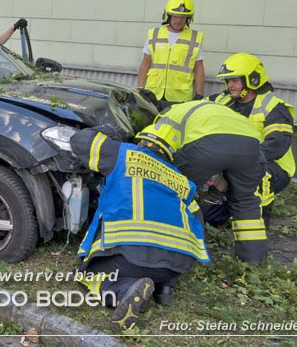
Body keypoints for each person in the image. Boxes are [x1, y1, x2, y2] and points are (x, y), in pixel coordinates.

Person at [70, 124, 209, 331]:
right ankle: (164, 290)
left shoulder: (123, 153)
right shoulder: (183, 181)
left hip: (129, 256)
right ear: (170, 153)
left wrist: (111, 130)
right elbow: (199, 223)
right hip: (175, 266)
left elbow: (79, 140)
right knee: (156, 266)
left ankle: (122, 290)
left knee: (85, 275)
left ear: (140, 142)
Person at [148, 100, 267, 264]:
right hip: (250, 144)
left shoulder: (167, 116)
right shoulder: (214, 109)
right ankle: (253, 259)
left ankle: (167, 250)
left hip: (206, 143)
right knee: (245, 200)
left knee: (176, 192)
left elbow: (152, 150)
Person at [207, 53, 295, 225]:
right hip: (232, 161)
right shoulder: (222, 100)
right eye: (227, 81)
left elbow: (276, 145)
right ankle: (221, 209)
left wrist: (238, 160)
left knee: (257, 173)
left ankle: (257, 222)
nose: (229, 85)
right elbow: (192, 108)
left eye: (234, 80)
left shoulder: (273, 107)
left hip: (273, 165)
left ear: (252, 80)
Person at [137, 0, 205, 109]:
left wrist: (199, 94)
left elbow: (198, 68)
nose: (178, 20)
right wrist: (139, 87)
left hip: (179, 97)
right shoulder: (154, 34)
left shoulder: (194, 38)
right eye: (175, 16)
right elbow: (146, 62)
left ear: (188, 18)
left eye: (183, 17)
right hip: (153, 93)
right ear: (168, 16)